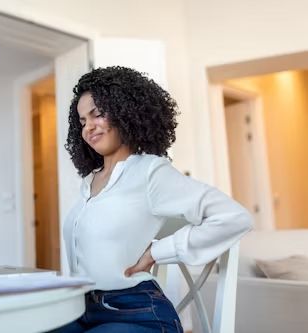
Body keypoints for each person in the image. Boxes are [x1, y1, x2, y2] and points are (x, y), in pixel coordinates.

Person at [52, 66, 253, 333]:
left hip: (136, 312)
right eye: (82, 121)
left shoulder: (150, 171)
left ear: (125, 112)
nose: (88, 127)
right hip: (81, 309)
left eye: (97, 114)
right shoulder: (89, 182)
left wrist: (158, 252)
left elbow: (234, 217)